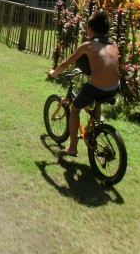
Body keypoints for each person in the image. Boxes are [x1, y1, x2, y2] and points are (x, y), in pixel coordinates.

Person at [49, 12, 120, 156]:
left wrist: (53, 73)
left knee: (75, 108)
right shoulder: (114, 44)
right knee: (98, 97)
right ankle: (96, 123)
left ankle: (72, 147)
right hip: (115, 87)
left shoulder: (87, 45)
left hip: (97, 87)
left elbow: (65, 64)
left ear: (90, 29)